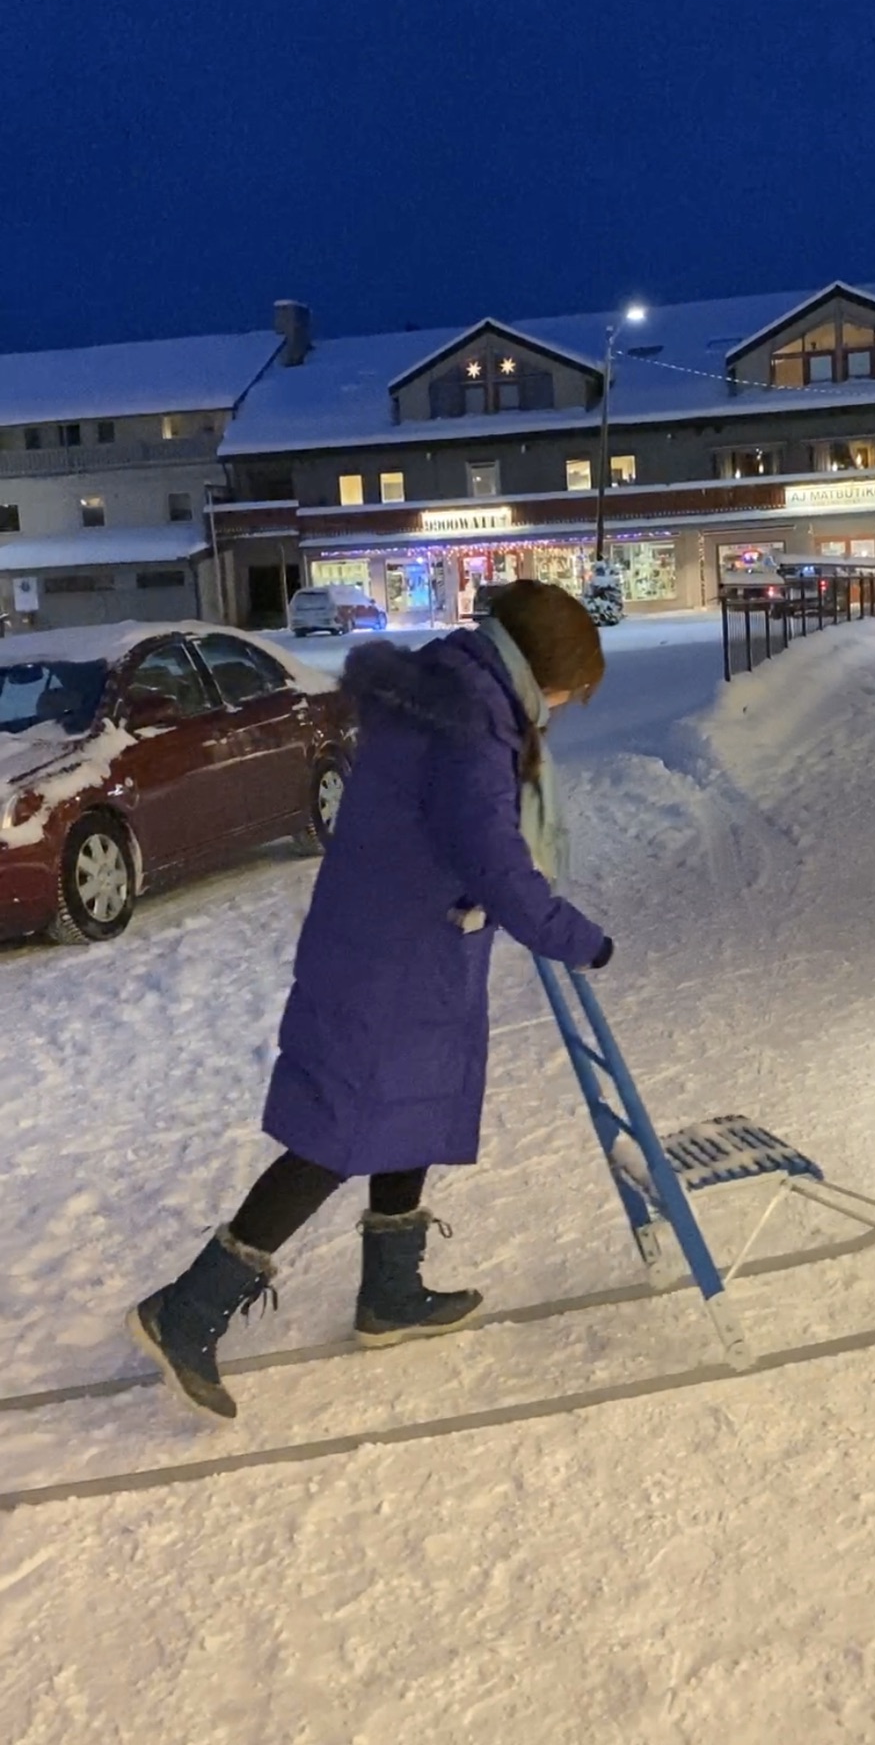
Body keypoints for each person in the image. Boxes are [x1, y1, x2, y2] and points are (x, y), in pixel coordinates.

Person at [129, 581, 612, 1419]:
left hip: (410, 943)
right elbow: (495, 857)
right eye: (570, 689)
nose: (565, 707)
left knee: (411, 1103)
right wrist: (577, 936)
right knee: (338, 1129)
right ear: (543, 670)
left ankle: (390, 1291)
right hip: (389, 958)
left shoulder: (456, 691)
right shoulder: (470, 724)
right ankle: (187, 1307)